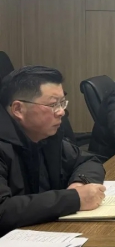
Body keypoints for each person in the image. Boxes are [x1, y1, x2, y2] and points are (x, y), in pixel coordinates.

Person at [0, 66, 105, 235]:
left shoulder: (45, 135)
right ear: (18, 109)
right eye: (53, 105)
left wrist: (79, 184)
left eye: (62, 103)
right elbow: (3, 211)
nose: (61, 112)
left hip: (44, 234)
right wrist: (74, 199)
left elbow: (88, 161)